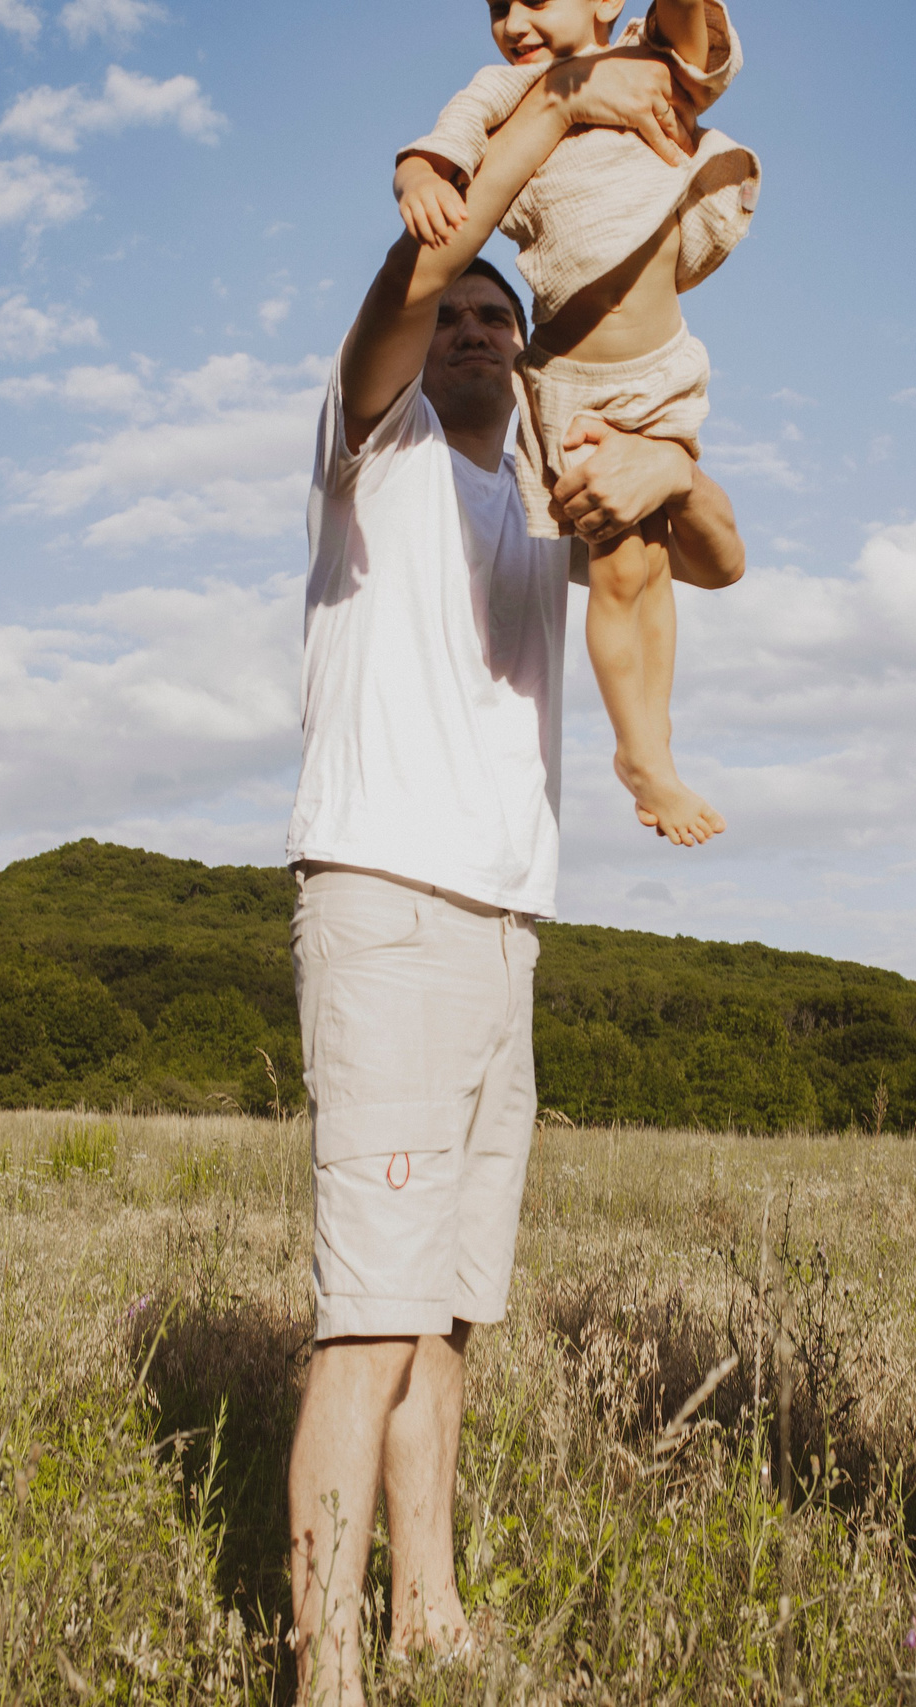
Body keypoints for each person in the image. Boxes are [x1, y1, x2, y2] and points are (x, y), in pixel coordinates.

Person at [285, 50, 747, 1707]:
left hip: (503, 926)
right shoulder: (374, 454)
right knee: (367, 1314)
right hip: (389, 904)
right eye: (462, 319)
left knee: (452, 1309)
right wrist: (543, 112)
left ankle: (430, 1612)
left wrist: (667, 471)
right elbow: (411, 278)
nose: (482, 331)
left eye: (503, 320)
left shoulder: (537, 488)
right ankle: (324, 1666)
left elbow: (718, 555)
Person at [393, 0, 760, 847]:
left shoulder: (651, 61)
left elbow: (699, 37)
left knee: (658, 567)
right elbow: (433, 149)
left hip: (666, 371)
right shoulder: (510, 93)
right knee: (622, 568)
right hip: (583, 384)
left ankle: (656, 743)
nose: (512, 17)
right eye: (496, 4)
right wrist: (417, 181)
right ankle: (637, 752)